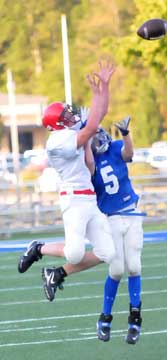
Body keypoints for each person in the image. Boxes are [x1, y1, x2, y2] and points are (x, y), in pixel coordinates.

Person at [18, 59, 116, 302]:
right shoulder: (57, 142)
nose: (72, 116)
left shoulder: (70, 132)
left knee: (107, 252)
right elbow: (92, 125)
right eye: (66, 114)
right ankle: (39, 248)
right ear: (58, 123)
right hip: (73, 200)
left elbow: (100, 114)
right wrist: (95, 93)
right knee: (74, 254)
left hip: (89, 199)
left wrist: (104, 87)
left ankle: (56, 273)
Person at [85, 117, 144, 345]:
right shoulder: (89, 163)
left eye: (98, 135)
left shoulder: (117, 147)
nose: (98, 140)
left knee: (135, 266)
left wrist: (126, 133)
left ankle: (135, 317)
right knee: (117, 269)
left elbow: (129, 154)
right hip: (110, 219)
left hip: (131, 212)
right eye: (92, 138)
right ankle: (104, 318)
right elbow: (89, 165)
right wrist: (84, 141)